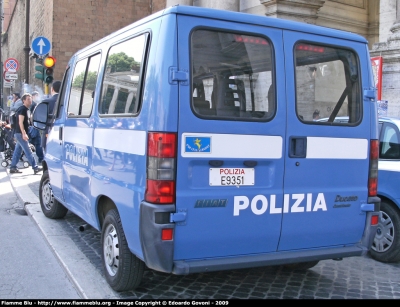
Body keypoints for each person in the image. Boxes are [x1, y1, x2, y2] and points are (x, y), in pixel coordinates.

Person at [9, 93, 43, 174]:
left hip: (19, 133)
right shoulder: (22, 109)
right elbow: (20, 123)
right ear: (23, 100)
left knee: (18, 151)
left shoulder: (26, 109)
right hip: (20, 134)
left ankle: (13, 167)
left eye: (31, 99)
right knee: (28, 150)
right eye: (28, 99)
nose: (30, 100)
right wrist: (24, 134)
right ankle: (35, 167)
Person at [41, 80, 61, 150]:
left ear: (52, 89)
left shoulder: (46, 102)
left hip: (49, 134)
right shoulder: (69, 102)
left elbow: (41, 119)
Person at [28, 91, 44, 163]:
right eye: (37, 95)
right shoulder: (34, 104)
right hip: (34, 126)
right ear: (34, 96)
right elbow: (31, 116)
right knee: (37, 143)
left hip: (32, 126)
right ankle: (40, 158)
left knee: (31, 142)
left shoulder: (31, 104)